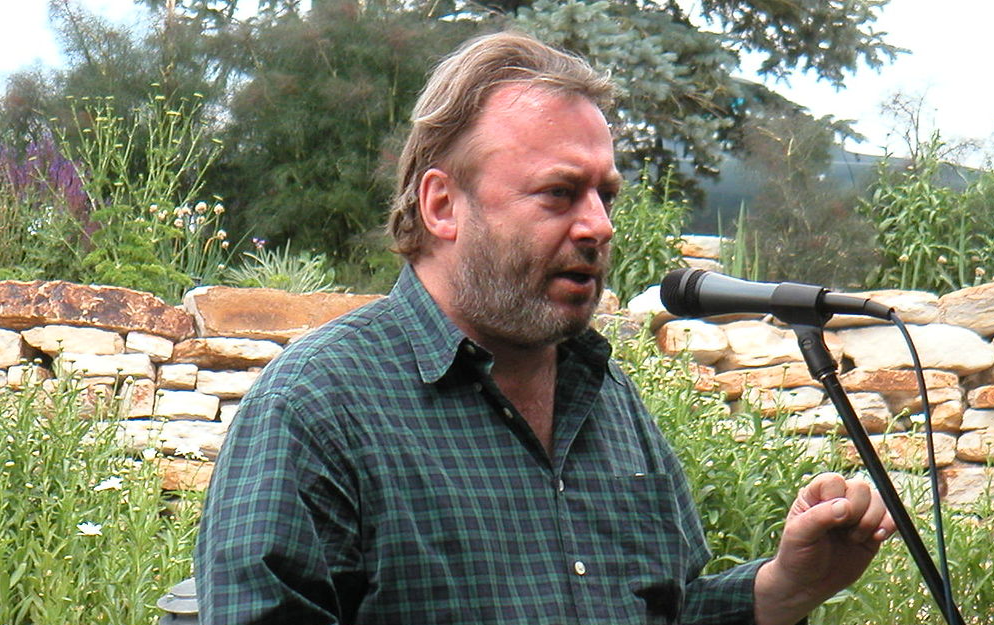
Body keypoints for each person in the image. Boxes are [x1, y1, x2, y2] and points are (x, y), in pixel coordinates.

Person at [194, 31, 895, 624]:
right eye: (559, 193)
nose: (599, 225)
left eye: (606, 194)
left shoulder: (609, 401)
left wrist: (780, 589)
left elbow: (667, 607)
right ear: (443, 204)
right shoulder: (319, 408)